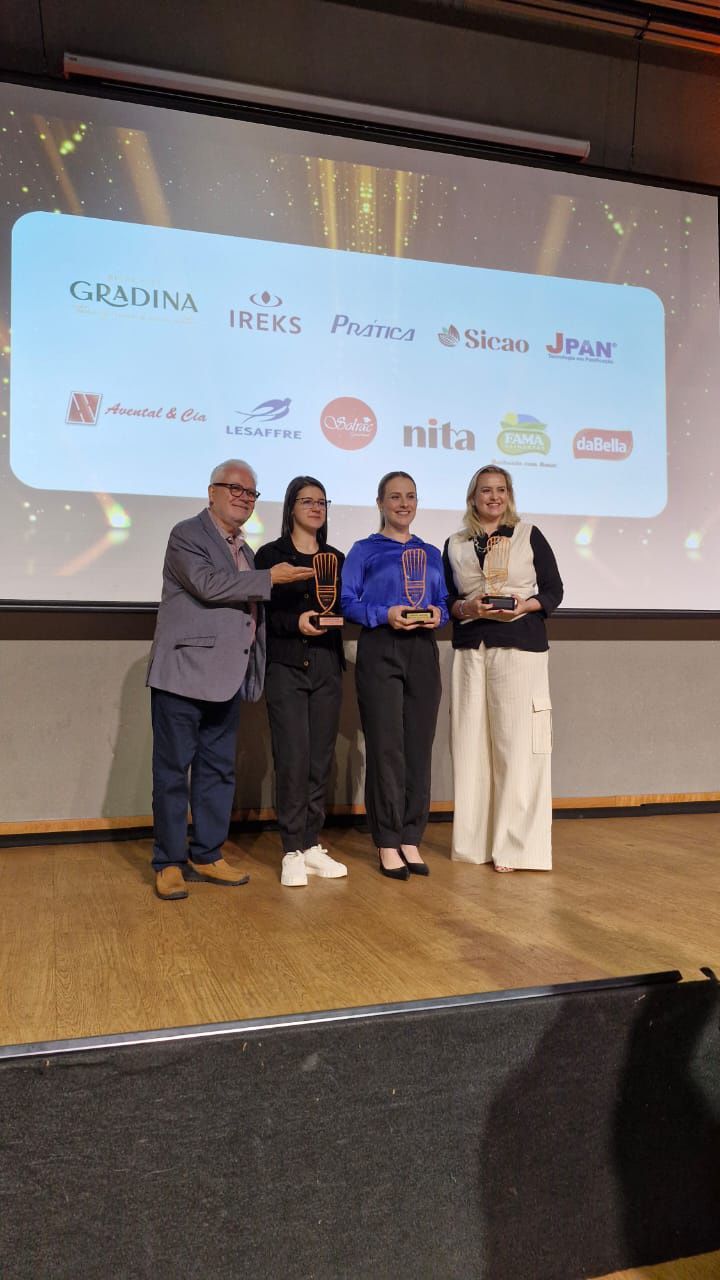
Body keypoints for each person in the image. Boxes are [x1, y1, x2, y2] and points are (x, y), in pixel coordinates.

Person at [146, 459, 314, 901]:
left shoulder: (246, 549)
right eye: (234, 488)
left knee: (218, 771)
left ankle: (207, 853)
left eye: (251, 492)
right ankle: (168, 862)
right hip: (182, 675)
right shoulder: (187, 534)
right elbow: (207, 584)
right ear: (211, 492)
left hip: (226, 678)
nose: (243, 497)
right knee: (171, 773)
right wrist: (268, 578)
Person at [443, 464, 563, 872]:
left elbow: (553, 591)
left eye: (500, 490)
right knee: (470, 746)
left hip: (519, 647)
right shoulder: (455, 543)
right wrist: (466, 608)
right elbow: (447, 601)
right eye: (485, 490)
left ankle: (516, 847)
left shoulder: (529, 535)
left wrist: (521, 606)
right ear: (472, 497)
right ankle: (474, 844)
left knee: (516, 748)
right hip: (470, 649)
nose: (493, 497)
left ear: (509, 496)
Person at [341, 471, 448, 879]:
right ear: (380, 502)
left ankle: (410, 836)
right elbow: (347, 602)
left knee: (419, 747)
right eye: (394, 497)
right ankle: (386, 839)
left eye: (410, 497)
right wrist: (383, 614)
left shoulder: (432, 552)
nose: (403, 504)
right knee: (387, 748)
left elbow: (442, 600)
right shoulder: (363, 550)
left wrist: (437, 614)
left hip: (422, 651)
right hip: (381, 647)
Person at [255, 477, 347, 887]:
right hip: (287, 666)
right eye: (306, 501)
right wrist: (296, 622)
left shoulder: (337, 557)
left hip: (327, 665)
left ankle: (312, 843)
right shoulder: (270, 556)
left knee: (319, 759)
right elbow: (260, 618)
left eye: (321, 501)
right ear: (291, 507)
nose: (315, 507)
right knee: (292, 758)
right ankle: (291, 848)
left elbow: (344, 609)